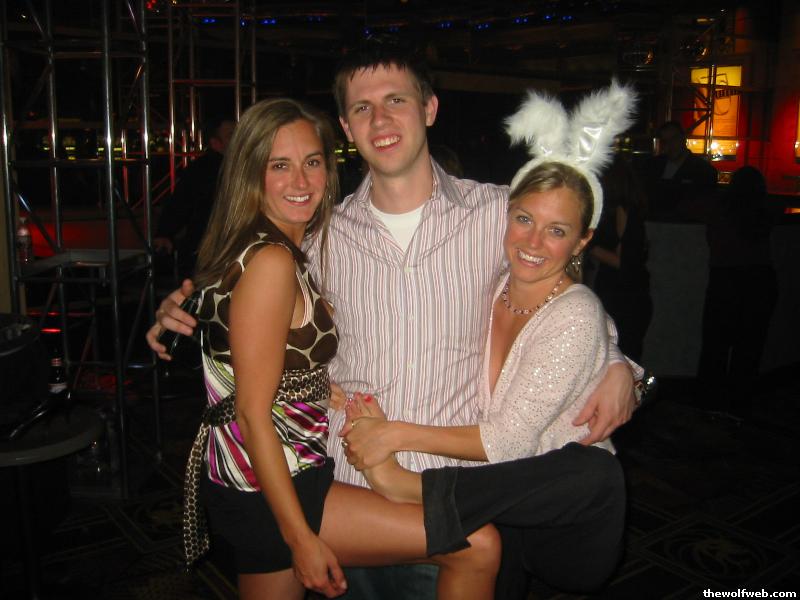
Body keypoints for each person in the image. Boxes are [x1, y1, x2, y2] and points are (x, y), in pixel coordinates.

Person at [148, 37, 639, 599]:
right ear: (346, 127)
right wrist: (186, 305)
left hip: (456, 499)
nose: (380, 120)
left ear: (429, 108)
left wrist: (620, 364)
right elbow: (250, 293)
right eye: (362, 107)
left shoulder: (495, 214)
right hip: (342, 484)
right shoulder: (318, 236)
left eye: (396, 100)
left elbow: (557, 294)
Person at [183, 97, 500, 600]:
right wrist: (300, 538)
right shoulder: (271, 261)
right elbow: (250, 410)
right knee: (475, 545)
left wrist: (319, 387)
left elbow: (250, 356)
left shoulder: (270, 246)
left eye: (312, 162)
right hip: (275, 484)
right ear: (250, 172)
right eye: (279, 165)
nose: (301, 180)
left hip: (264, 477)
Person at [339, 82, 639, 597]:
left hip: (539, 516)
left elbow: (575, 319)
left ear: (582, 240)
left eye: (557, 230)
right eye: (524, 220)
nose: (533, 240)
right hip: (470, 505)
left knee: (583, 481)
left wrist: (393, 436)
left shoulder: (559, 294)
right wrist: (617, 362)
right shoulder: (498, 279)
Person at [695, 166, 777, 413]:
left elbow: (685, 206)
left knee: (716, 346)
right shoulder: (765, 210)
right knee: (749, 348)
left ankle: (710, 402)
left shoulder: (719, 207)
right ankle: (738, 406)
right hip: (760, 280)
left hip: (726, 279)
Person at [153, 115, 236, 279]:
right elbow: (180, 203)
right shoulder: (204, 170)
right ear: (216, 143)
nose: (239, 139)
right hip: (209, 251)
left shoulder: (244, 167)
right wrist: (165, 232)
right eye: (231, 135)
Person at [590, 154, 652, 361]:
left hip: (624, 296)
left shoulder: (623, 210)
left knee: (620, 359)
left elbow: (624, 262)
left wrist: (587, 245)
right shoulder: (626, 209)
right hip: (625, 294)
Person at [645, 121, 717, 222]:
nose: (670, 145)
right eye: (665, 141)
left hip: (686, 226)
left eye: (674, 139)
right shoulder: (653, 165)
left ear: (684, 138)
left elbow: (703, 207)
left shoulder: (704, 170)